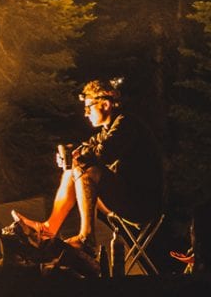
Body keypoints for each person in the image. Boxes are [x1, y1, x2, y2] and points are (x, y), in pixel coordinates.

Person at [11, 78, 163, 255]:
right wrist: (70, 157)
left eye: (89, 107)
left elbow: (103, 153)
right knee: (73, 170)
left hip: (141, 205)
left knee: (86, 170)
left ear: (105, 104)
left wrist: (79, 158)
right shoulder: (108, 130)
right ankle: (48, 228)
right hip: (125, 199)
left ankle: (86, 239)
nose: (86, 113)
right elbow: (90, 147)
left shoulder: (127, 124)